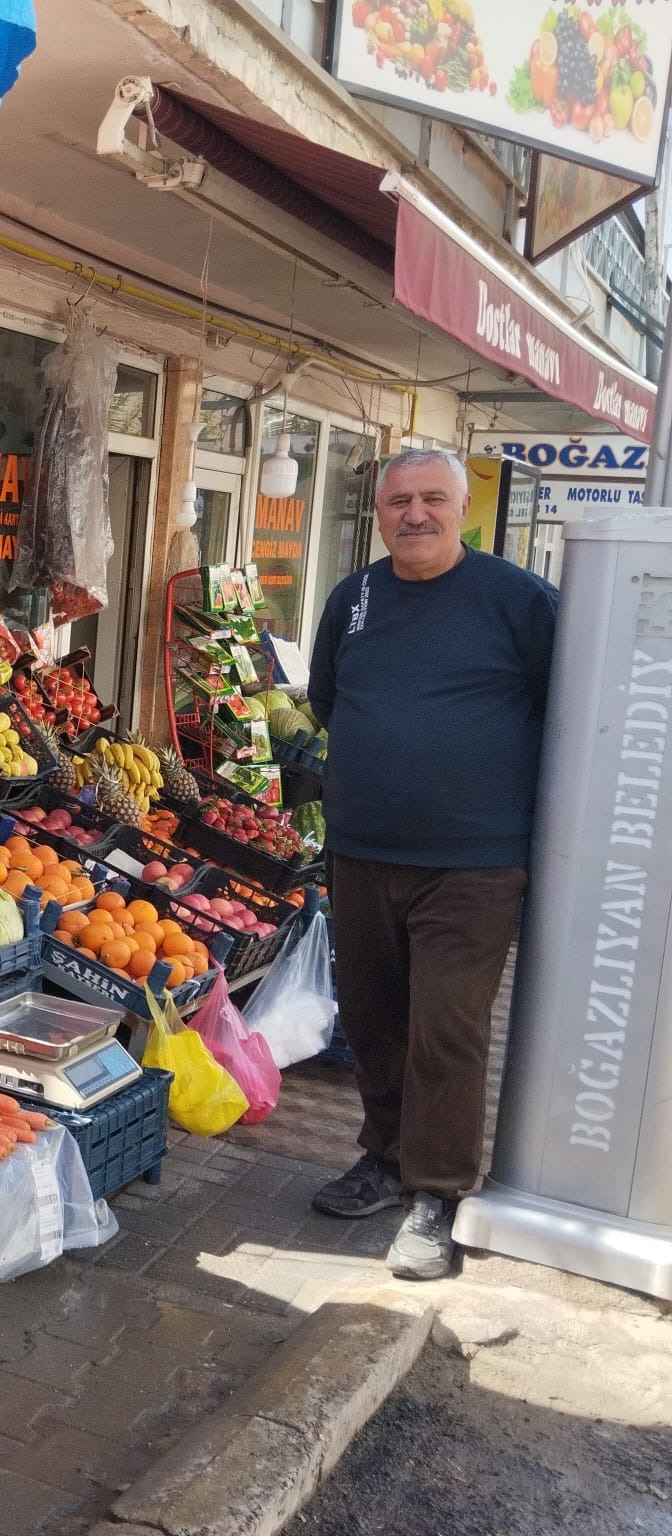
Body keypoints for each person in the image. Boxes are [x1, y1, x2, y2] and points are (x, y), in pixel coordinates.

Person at [305, 447, 557, 1280]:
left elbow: (567, 709)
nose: (414, 514)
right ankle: (384, 1157)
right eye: (398, 501)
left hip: (473, 862)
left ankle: (438, 1194)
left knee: (446, 1027)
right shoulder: (354, 598)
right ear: (380, 513)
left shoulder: (518, 600)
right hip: (362, 850)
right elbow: (329, 698)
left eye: (432, 499)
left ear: (460, 510)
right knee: (372, 1017)